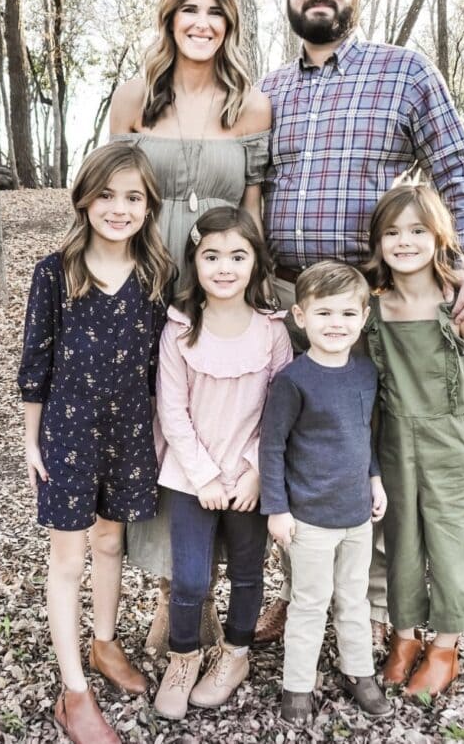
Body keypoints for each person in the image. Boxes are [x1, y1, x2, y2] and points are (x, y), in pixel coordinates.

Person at [255, 0, 464, 644]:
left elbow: (460, 166)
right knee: (297, 454)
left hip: (374, 308)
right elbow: (253, 191)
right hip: (289, 303)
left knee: (374, 454)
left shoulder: (403, 72)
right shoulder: (268, 91)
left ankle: (384, 612)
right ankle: (304, 591)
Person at [109, 0, 272, 654]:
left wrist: (246, 289)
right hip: (147, 279)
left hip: (220, 284)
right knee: (155, 429)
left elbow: (253, 213)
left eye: (215, 12)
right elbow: (107, 196)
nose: (201, 22)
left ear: (230, 24)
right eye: (189, 10)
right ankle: (169, 589)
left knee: (215, 426)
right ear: (169, 18)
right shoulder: (135, 97)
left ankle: (202, 589)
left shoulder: (252, 108)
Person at [17, 142, 173, 744]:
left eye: (133, 197)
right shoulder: (56, 272)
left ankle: (104, 644)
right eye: (106, 195)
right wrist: (30, 441)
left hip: (131, 431)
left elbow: (164, 365)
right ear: (84, 198)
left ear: (148, 206)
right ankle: (74, 691)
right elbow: (36, 363)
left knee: (111, 541)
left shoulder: (157, 273)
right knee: (69, 557)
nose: (118, 207)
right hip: (69, 432)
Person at [152, 207, 292, 720]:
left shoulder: (273, 331)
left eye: (238, 255)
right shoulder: (180, 329)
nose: (225, 267)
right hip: (193, 479)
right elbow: (171, 411)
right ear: (196, 261)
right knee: (190, 579)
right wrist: (204, 475)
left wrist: (256, 470)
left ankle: (235, 656)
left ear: (255, 261)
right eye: (212, 256)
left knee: (249, 573)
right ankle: (183, 659)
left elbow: (279, 410)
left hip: (251, 479)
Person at [364, 183, 464, 696]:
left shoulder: (459, 304)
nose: (404, 242)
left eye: (417, 230)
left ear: (437, 235)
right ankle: (403, 638)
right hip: (394, 438)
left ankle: (445, 646)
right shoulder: (374, 306)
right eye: (392, 232)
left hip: (452, 438)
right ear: (377, 242)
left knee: (452, 537)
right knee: (400, 539)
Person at [259, 261, 392, 723]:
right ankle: (298, 683)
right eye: (324, 314)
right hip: (309, 519)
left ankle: (358, 670)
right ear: (300, 316)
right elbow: (272, 447)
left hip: (355, 515)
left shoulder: (364, 374)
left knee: (353, 598)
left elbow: (364, 434)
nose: (336, 324)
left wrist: (374, 478)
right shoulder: (293, 381)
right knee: (310, 602)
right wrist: (276, 509)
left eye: (347, 314)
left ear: (364, 317)